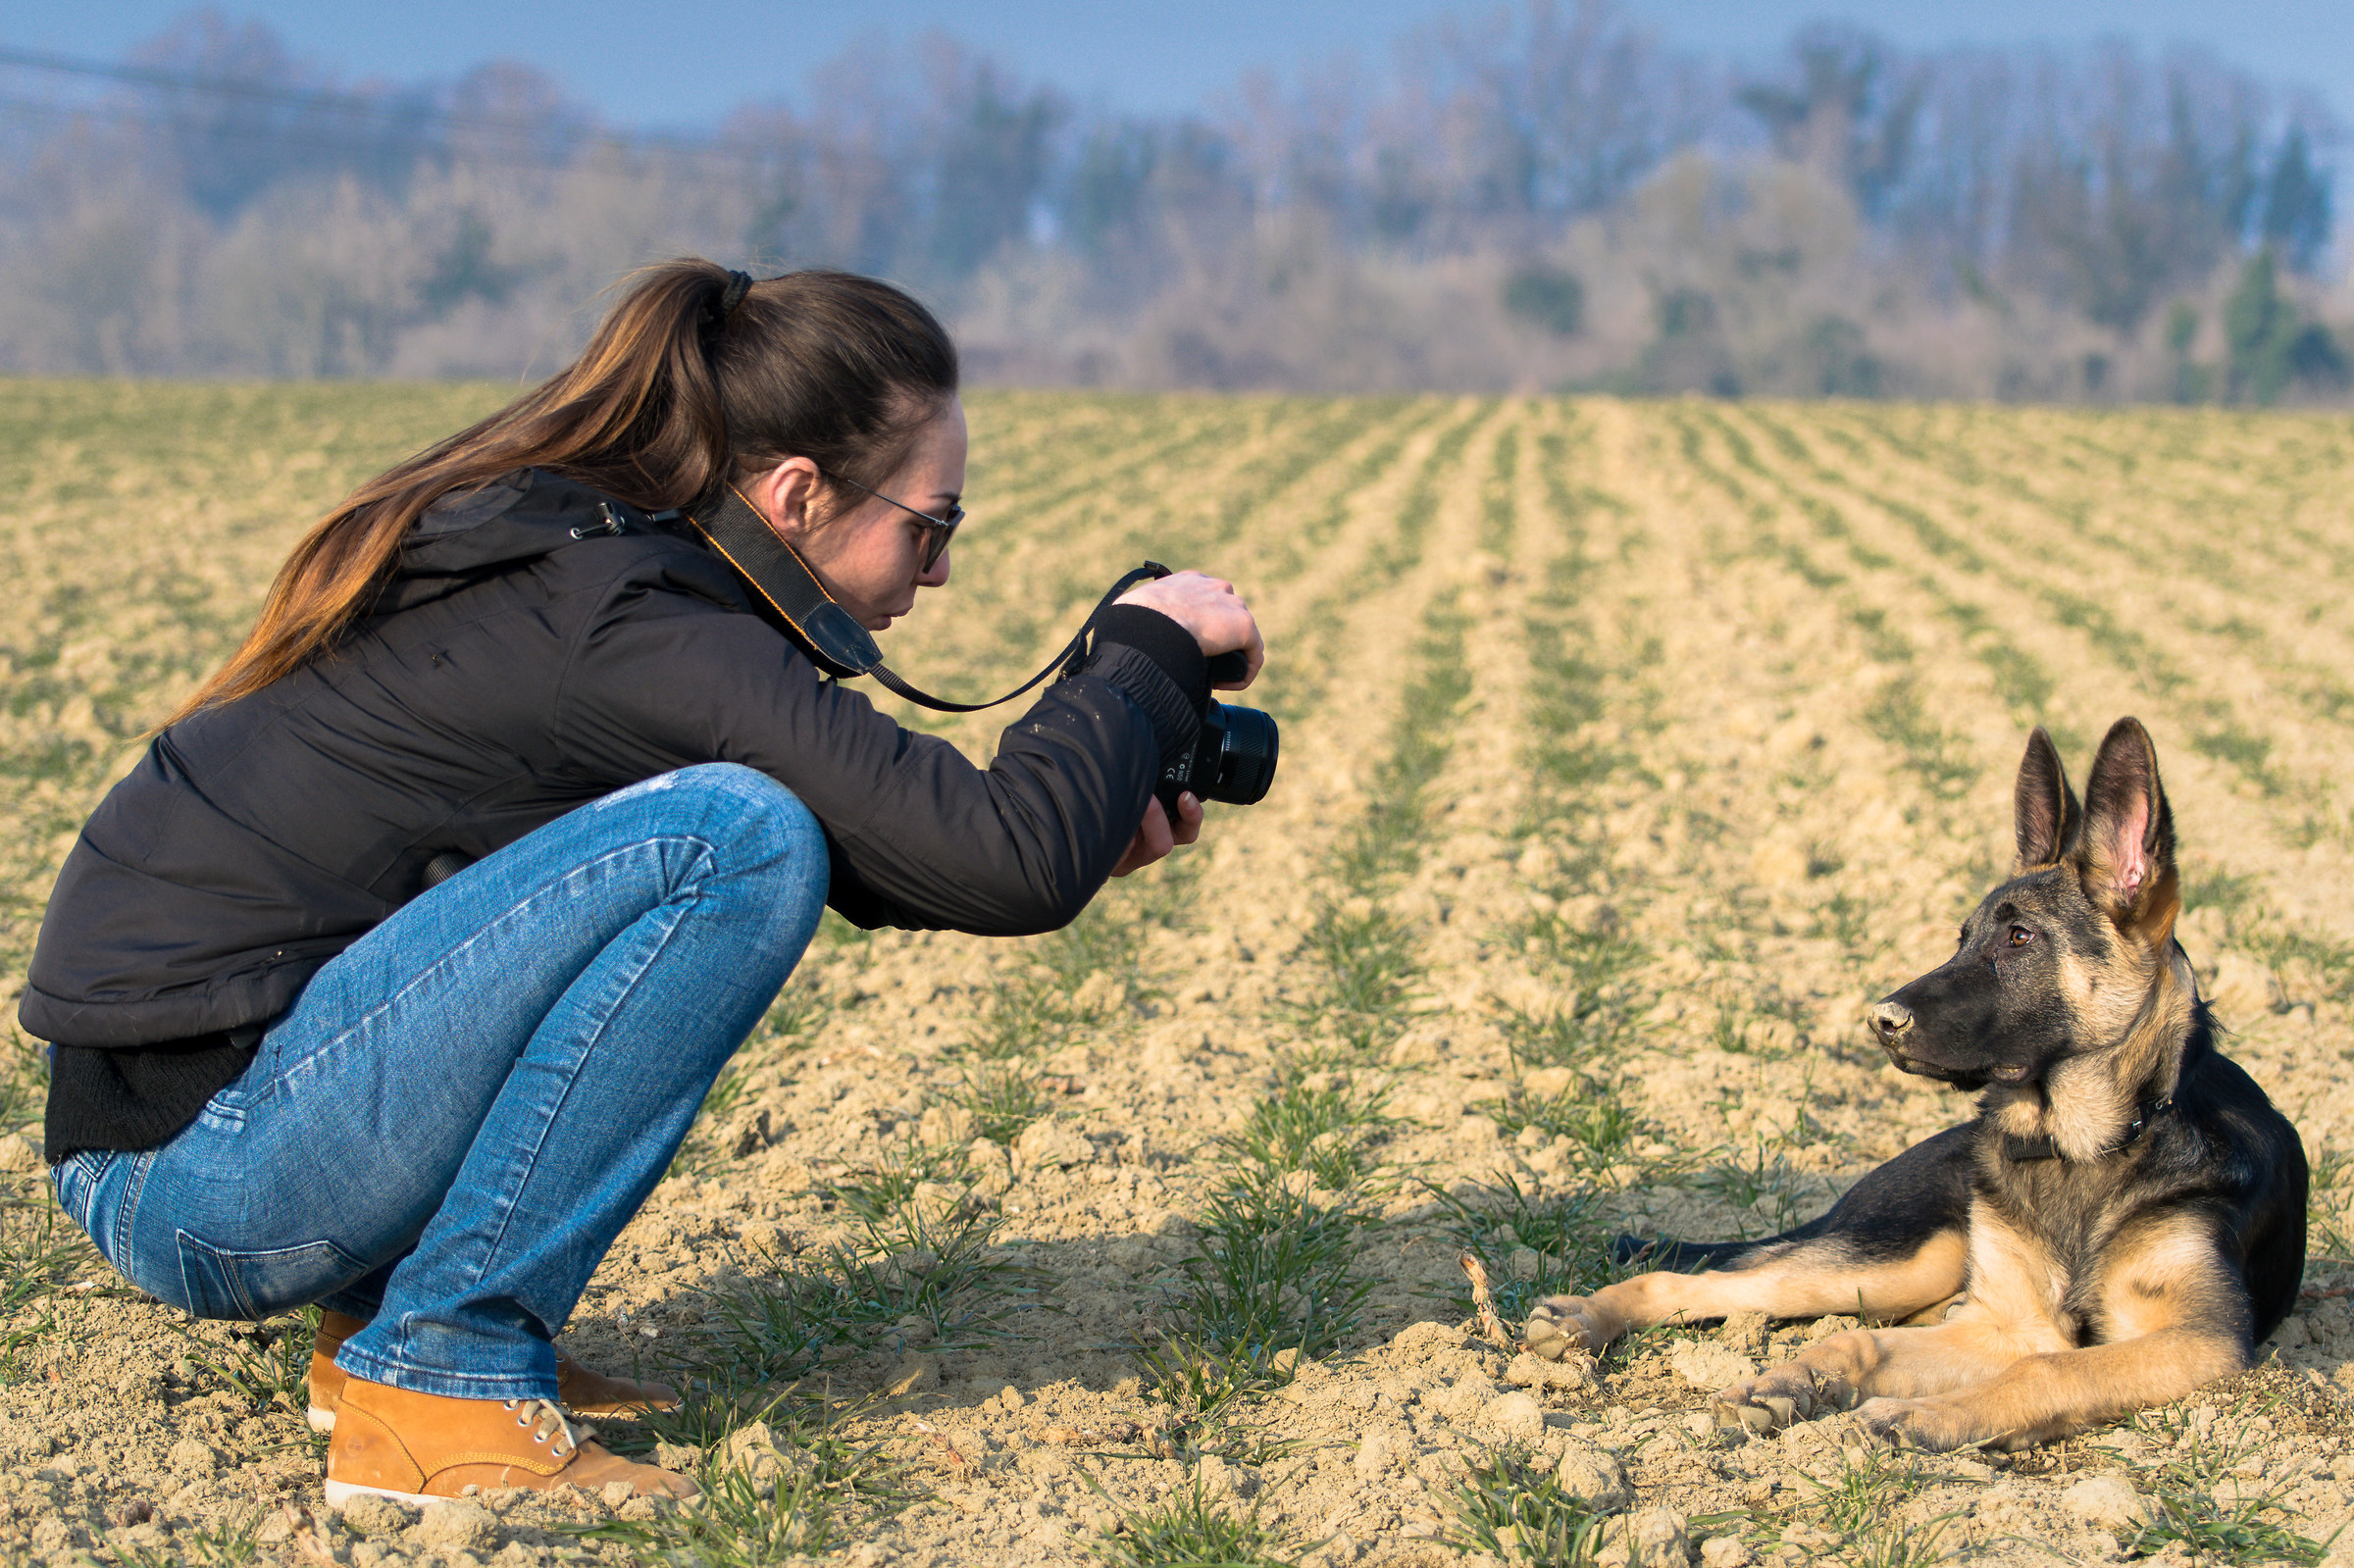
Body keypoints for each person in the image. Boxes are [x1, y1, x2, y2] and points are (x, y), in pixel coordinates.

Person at [19, 262, 1262, 1507]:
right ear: (798, 493)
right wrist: (1142, 654)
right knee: (738, 837)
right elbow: (1003, 862)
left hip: (189, 1135)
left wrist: (1085, 795)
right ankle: (440, 1377)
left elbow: (934, 852)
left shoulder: (600, 562)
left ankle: (380, 1331)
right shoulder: (627, 618)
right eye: (929, 527)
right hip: (205, 1175)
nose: (935, 573)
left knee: (748, 833)